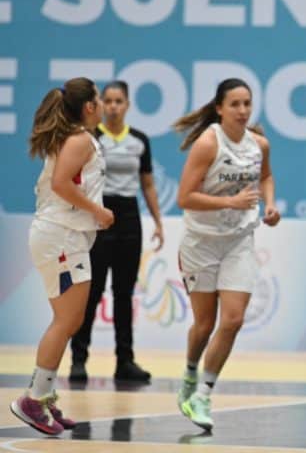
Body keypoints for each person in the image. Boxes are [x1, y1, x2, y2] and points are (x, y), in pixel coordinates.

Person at [174, 78, 280, 431]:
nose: (243, 110)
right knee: (204, 324)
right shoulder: (208, 143)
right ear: (219, 108)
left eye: (247, 103)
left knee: (232, 320)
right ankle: (190, 372)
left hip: (239, 241)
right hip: (201, 242)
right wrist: (229, 201)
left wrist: (270, 205)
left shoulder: (259, 144)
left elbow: (266, 176)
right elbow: (185, 197)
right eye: (235, 104)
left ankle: (203, 394)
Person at [11, 78, 113, 435]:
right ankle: (33, 399)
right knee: (67, 321)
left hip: (64, 236)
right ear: (89, 106)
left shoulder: (80, 137)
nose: (101, 104)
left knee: (67, 319)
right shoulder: (80, 138)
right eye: (99, 98)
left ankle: (45, 394)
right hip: (61, 235)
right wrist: (98, 212)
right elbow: (60, 183)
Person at [69, 80, 163, 383]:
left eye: (118, 101)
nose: (112, 106)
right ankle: (78, 359)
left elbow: (147, 183)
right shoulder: (89, 138)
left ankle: (125, 360)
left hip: (128, 216)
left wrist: (158, 221)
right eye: (107, 100)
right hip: (98, 215)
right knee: (91, 291)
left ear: (127, 105)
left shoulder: (139, 140)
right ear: (98, 105)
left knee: (124, 293)